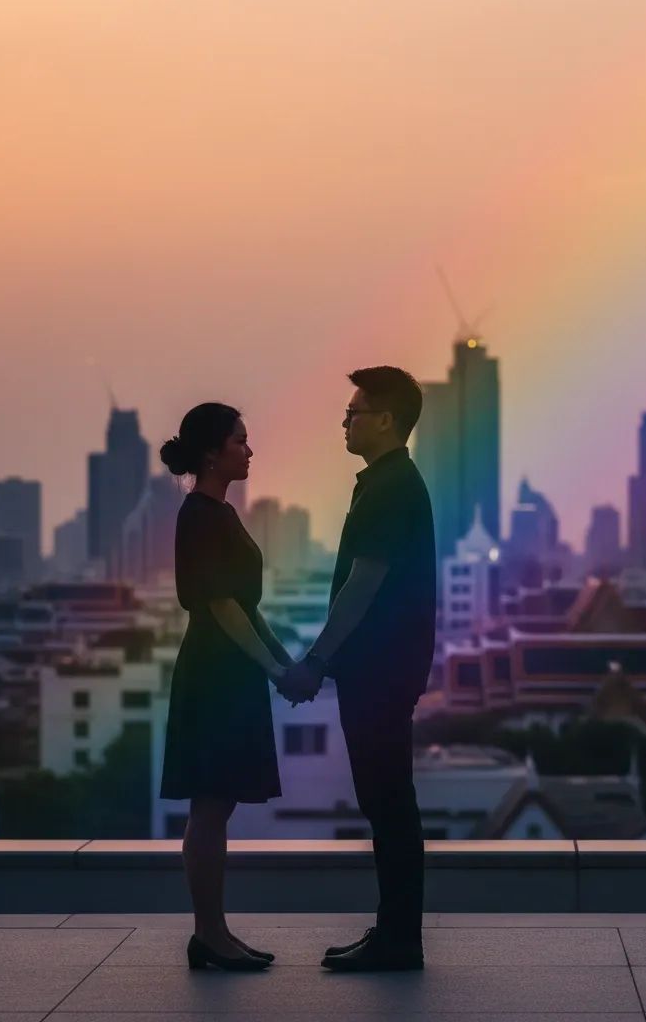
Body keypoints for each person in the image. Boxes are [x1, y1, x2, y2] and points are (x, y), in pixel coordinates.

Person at [283, 366, 436, 972]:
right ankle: (394, 934)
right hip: (383, 668)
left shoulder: (390, 487)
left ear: (387, 420)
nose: (344, 421)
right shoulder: (386, 482)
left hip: (380, 670)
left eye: (354, 412)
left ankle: (399, 940)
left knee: (389, 801)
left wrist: (317, 659)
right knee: (387, 799)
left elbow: (362, 584)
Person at [159, 402, 293, 972]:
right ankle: (209, 935)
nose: (249, 449)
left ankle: (216, 933)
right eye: (241, 440)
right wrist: (273, 667)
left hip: (229, 671)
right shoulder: (200, 516)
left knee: (219, 804)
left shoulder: (220, 513)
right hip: (215, 673)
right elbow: (222, 608)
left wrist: (282, 663)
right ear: (213, 452)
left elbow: (245, 606)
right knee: (210, 808)